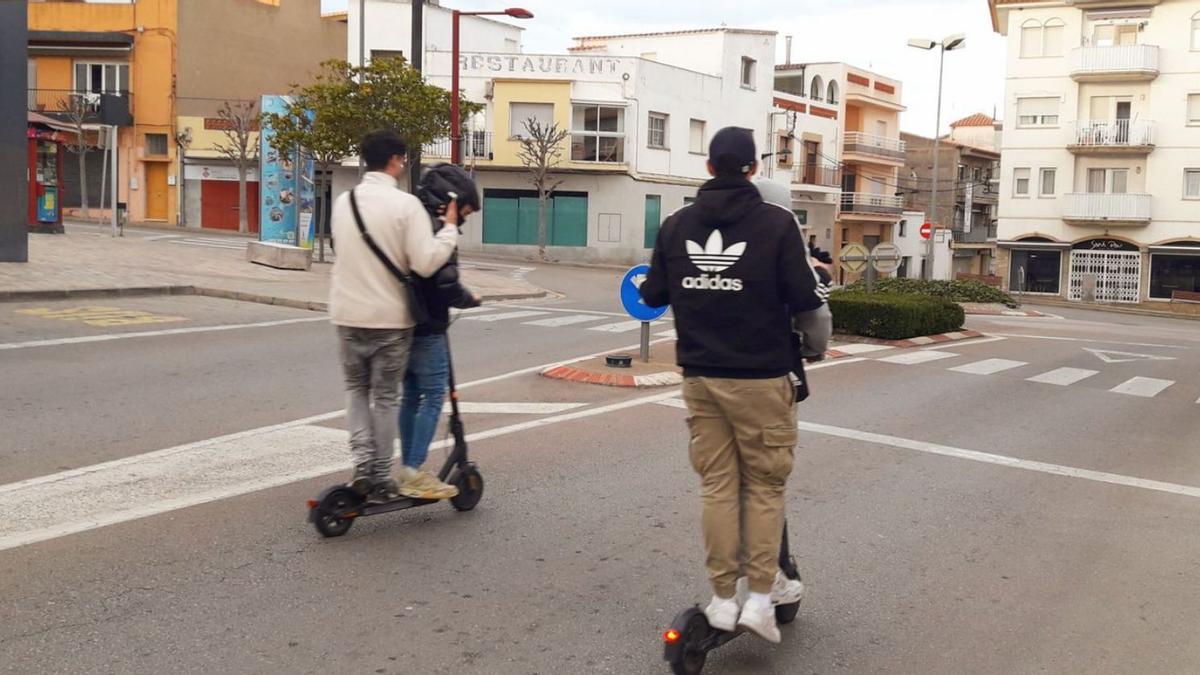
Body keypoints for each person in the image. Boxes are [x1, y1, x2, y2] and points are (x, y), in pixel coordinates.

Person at [639, 127, 831, 643]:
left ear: (708, 167)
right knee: (765, 487)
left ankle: (723, 600)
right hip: (761, 378)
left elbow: (654, 292)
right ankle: (762, 600)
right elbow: (805, 299)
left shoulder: (676, 225)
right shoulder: (776, 224)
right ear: (752, 170)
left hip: (701, 377)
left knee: (718, 487)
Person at [329, 130, 459, 503]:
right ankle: (382, 476)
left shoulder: (343, 203)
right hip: (389, 320)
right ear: (396, 160)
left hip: (346, 315)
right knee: (385, 397)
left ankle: (361, 466)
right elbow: (426, 262)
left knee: (356, 391)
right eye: (403, 160)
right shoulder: (406, 206)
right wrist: (448, 230)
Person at [396, 165, 483, 500]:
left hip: (405, 324)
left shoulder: (412, 222)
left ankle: (408, 465)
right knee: (433, 395)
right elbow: (445, 284)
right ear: (450, 202)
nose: (464, 218)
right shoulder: (440, 230)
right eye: (464, 210)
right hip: (429, 327)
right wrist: (470, 299)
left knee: (410, 396)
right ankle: (414, 470)